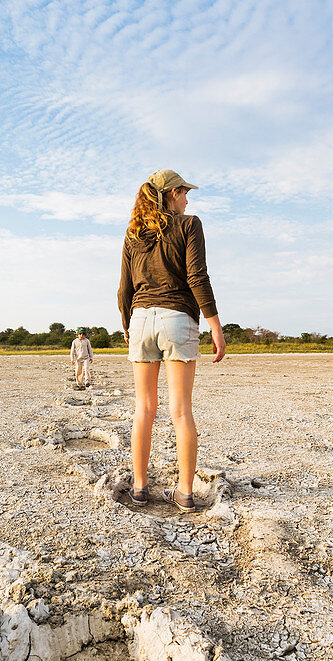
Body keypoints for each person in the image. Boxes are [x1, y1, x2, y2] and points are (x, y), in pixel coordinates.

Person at [117, 169, 226, 512]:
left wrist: (128, 328)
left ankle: (139, 488)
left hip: (140, 320)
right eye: (184, 193)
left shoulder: (133, 234)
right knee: (180, 411)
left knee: (144, 409)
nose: (188, 200)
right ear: (173, 193)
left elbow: (124, 289)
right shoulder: (189, 224)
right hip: (177, 319)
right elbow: (197, 275)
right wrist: (215, 325)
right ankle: (184, 493)